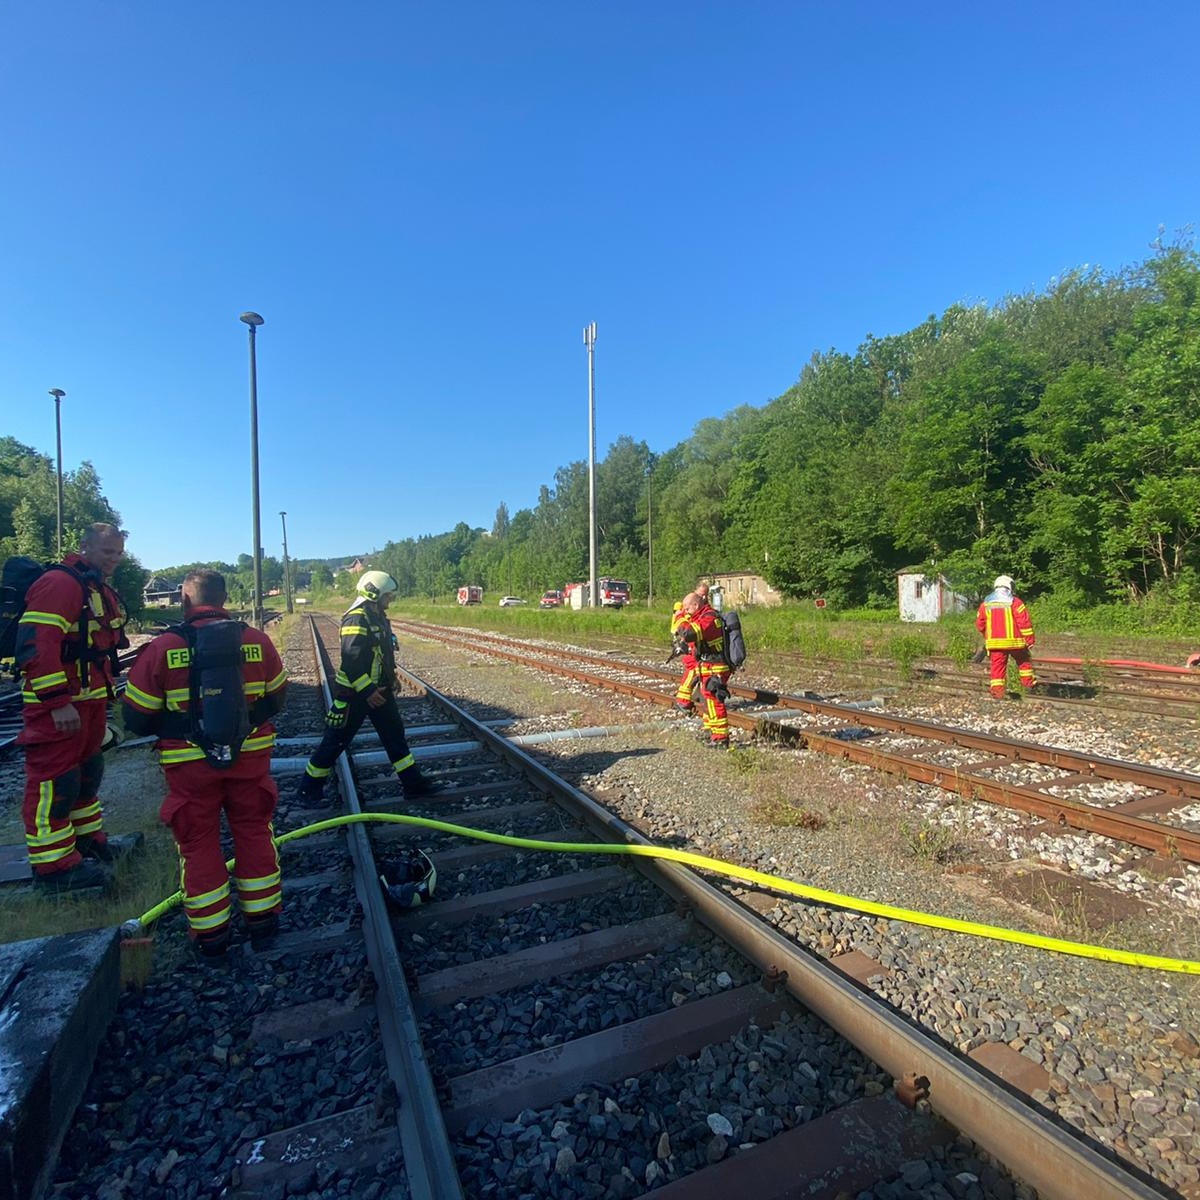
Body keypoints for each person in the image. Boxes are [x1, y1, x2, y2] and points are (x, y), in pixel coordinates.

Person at [123, 570, 288, 958]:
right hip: (249, 759)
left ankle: (212, 936)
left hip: (189, 766)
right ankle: (263, 922)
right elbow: (277, 698)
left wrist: (180, 725)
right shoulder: (256, 640)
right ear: (225, 598)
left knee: (198, 845)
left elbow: (136, 716)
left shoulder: (164, 647)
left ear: (184, 600)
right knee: (253, 832)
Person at [16, 522, 129, 891]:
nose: (114, 559)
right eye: (107, 552)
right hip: (61, 706)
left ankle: (85, 843)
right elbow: (37, 644)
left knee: (86, 773)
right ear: (85, 548)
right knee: (56, 781)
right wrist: (56, 701)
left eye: (118, 553)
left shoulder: (93, 586)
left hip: (90, 699)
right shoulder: (61, 584)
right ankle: (54, 867)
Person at [295, 571, 441, 803]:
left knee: (395, 736)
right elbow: (351, 661)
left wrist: (390, 677)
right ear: (374, 593)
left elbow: (382, 652)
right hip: (355, 694)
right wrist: (367, 691)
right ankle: (308, 789)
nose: (390, 599)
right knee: (336, 742)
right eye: (388, 594)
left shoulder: (378, 616)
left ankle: (413, 784)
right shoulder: (356, 619)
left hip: (380, 691)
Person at [677, 590, 732, 748]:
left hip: (715, 666)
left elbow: (689, 633)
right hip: (708, 665)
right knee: (707, 699)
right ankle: (711, 732)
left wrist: (680, 618)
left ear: (696, 605)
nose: (686, 612)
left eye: (687, 609)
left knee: (714, 700)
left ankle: (721, 738)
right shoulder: (701, 616)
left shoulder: (708, 618)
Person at [976, 574, 1037, 699]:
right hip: (1016, 643)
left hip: (996, 644)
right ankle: (1028, 686)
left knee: (997, 669)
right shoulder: (1015, 602)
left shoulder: (986, 604)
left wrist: (988, 636)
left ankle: (998, 693)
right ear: (1010, 587)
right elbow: (1024, 622)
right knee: (1024, 662)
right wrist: (1029, 639)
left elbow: (980, 624)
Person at [670, 598, 698, 712]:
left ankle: (685, 699)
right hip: (693, 649)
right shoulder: (685, 617)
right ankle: (683, 701)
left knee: (693, 672)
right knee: (692, 671)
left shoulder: (682, 616)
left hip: (693, 648)